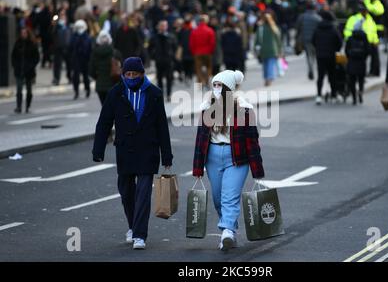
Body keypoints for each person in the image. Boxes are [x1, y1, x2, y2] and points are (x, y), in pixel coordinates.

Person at [92, 57, 173, 250]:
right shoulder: (116, 93)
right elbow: (104, 122)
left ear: (141, 74)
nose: (131, 77)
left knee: (143, 193)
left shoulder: (154, 93)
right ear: (123, 75)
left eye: (134, 74)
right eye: (127, 74)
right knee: (126, 192)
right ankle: (132, 225)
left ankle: (139, 235)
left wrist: (167, 155)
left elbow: (162, 126)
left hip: (148, 150)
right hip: (125, 150)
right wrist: (98, 149)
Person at [192, 70, 264, 251]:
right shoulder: (206, 108)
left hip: (237, 158)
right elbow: (200, 140)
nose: (216, 89)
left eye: (220, 86)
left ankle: (227, 232)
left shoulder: (244, 110)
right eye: (214, 85)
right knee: (217, 198)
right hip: (213, 158)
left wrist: (258, 172)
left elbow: (252, 141)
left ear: (229, 89)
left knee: (229, 197)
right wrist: (198, 169)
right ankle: (229, 226)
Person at [312, 11, 343, 105]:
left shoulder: (317, 29)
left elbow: (313, 41)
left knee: (320, 76)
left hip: (320, 55)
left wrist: (318, 49)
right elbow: (339, 42)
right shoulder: (333, 29)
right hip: (331, 55)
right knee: (332, 76)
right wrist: (336, 49)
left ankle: (318, 95)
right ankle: (334, 95)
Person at [89, 30, 122, 105]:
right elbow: (121, 68)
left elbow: (91, 70)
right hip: (113, 84)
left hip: (100, 85)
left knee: (104, 108)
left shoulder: (95, 53)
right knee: (114, 108)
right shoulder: (115, 53)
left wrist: (98, 77)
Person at [11, 28, 40, 114]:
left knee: (29, 90)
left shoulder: (32, 44)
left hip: (29, 71)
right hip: (19, 70)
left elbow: (36, 58)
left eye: (25, 33)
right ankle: (19, 106)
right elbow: (13, 56)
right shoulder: (18, 43)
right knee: (19, 89)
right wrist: (15, 66)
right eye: (22, 33)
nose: (23, 34)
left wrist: (31, 66)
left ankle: (27, 106)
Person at [148, 20, 177, 101]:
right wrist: (154, 56)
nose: (163, 27)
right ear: (158, 27)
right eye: (161, 25)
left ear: (167, 26)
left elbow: (175, 47)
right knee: (159, 78)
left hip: (169, 60)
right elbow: (150, 48)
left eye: (164, 25)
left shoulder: (171, 36)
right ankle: (160, 95)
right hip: (159, 60)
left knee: (169, 78)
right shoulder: (154, 37)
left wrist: (172, 56)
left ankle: (169, 95)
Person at [295, 0, 322, 80]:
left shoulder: (302, 17)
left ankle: (310, 69)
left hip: (305, 39)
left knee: (309, 56)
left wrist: (297, 38)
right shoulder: (318, 18)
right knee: (316, 56)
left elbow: (297, 27)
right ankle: (316, 70)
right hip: (316, 40)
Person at [254, 13, 282, 87]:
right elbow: (278, 40)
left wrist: (255, 49)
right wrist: (280, 50)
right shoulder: (274, 27)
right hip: (273, 49)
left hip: (263, 50)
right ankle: (269, 78)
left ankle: (266, 78)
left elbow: (257, 39)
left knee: (265, 65)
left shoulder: (260, 28)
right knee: (271, 65)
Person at [345, 24, 370, 105]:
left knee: (352, 80)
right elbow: (368, 50)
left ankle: (354, 97)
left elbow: (346, 50)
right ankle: (360, 92)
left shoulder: (350, 38)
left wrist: (349, 57)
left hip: (352, 61)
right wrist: (364, 57)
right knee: (361, 79)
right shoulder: (364, 38)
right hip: (361, 61)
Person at [189, 14, 216, 88]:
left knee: (198, 68)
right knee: (209, 67)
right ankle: (207, 81)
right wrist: (211, 51)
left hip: (197, 52)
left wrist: (193, 52)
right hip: (207, 52)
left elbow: (191, 43)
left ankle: (200, 82)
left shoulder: (194, 31)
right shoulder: (210, 30)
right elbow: (212, 43)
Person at [69, 20, 92, 100]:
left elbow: (88, 49)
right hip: (76, 59)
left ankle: (87, 89)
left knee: (86, 76)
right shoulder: (74, 36)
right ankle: (76, 91)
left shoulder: (87, 37)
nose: (80, 29)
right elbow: (71, 47)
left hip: (85, 59)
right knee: (76, 77)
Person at [364, 0, 385, 77]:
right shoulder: (371, 3)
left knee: (374, 54)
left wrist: (367, 1)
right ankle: (373, 71)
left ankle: (375, 71)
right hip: (371, 33)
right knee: (372, 54)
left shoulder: (378, 4)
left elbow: (375, 10)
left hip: (375, 33)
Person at [52, 12, 72, 85]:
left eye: (64, 16)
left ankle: (70, 77)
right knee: (57, 65)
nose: (63, 18)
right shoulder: (56, 26)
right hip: (58, 48)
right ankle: (56, 78)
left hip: (67, 48)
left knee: (69, 64)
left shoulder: (68, 26)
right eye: (61, 16)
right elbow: (53, 35)